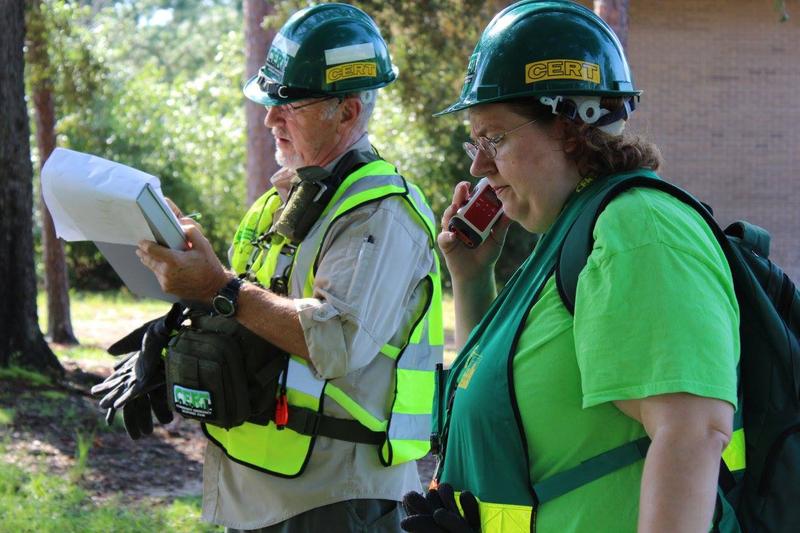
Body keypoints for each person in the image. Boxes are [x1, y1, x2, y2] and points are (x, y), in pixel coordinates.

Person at [92, 3, 443, 532]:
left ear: (347, 112)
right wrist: (179, 326)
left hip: (332, 498)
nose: (270, 117)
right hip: (261, 486)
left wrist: (217, 286)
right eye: (271, 102)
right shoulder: (286, 196)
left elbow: (337, 340)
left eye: (290, 103)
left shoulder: (382, 212)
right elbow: (249, 312)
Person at [402, 1, 739, 532]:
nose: (478, 165)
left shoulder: (639, 228)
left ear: (569, 126)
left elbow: (692, 433)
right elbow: (493, 404)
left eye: (494, 138)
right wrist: (471, 278)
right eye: (476, 141)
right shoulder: (567, 236)